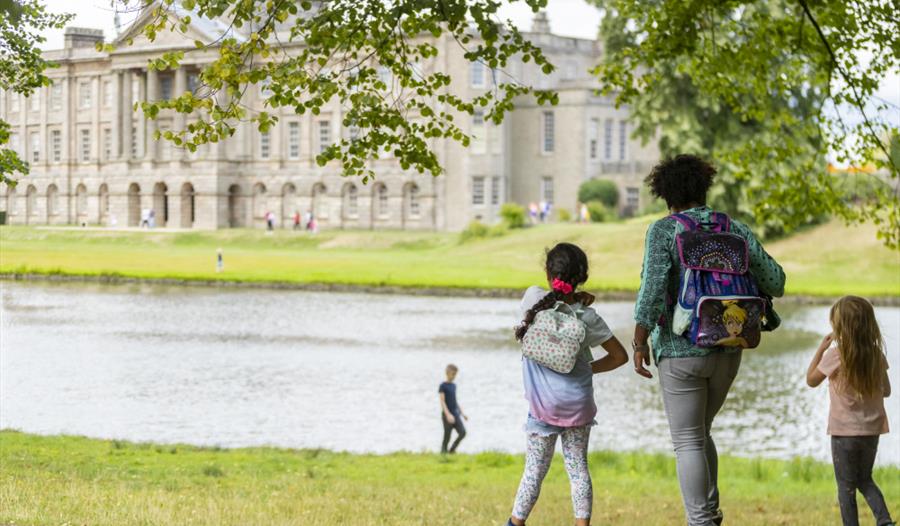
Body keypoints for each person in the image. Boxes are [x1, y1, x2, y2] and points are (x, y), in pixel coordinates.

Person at [631, 155, 785, 526]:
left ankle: (701, 521)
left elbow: (651, 292)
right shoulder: (734, 228)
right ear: (704, 188)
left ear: (666, 195)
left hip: (680, 351)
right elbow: (776, 282)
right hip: (730, 347)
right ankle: (710, 515)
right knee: (700, 434)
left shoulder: (665, 231)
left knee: (686, 440)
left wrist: (638, 344)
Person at [507, 243, 628, 526]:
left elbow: (550, 301)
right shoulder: (588, 317)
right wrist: (585, 369)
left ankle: (515, 523)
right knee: (578, 471)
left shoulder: (532, 299)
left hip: (542, 408)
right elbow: (619, 356)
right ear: (582, 277)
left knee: (534, 471)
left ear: (548, 272)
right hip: (578, 407)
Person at [806, 296, 894, 526]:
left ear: (840, 326)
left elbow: (811, 380)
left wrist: (821, 348)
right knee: (865, 479)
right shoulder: (877, 355)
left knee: (846, 487)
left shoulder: (835, 355)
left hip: (844, 433)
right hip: (871, 430)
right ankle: (884, 521)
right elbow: (886, 391)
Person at [439, 364, 468, 454]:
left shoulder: (454, 386)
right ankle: (443, 453)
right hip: (447, 415)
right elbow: (442, 401)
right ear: (447, 373)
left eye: (455, 374)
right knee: (447, 436)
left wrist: (462, 414)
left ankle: (452, 450)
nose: (454, 376)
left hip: (455, 414)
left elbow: (455, 401)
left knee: (462, 432)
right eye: (452, 374)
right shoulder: (442, 386)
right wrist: (448, 415)